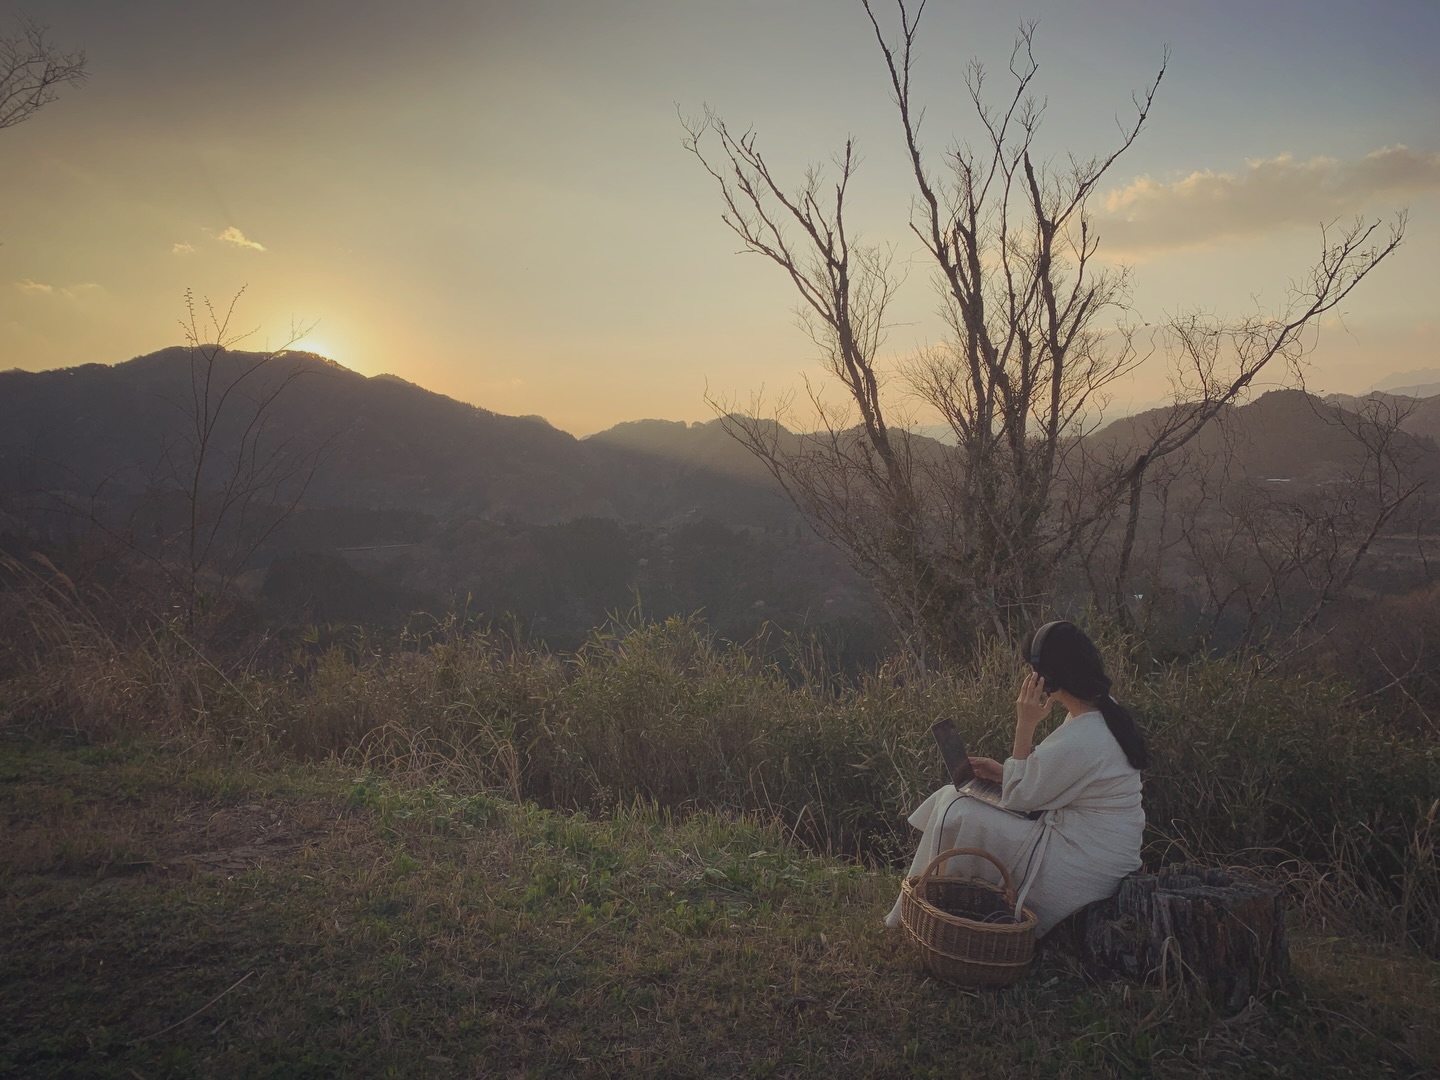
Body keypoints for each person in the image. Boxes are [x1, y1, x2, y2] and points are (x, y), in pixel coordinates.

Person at [884, 620, 1147, 936]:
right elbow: (1047, 780)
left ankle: (922, 916)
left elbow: (1021, 795)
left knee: (959, 811)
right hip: (1092, 849)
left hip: (1082, 864)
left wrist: (1026, 724)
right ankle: (920, 910)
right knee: (951, 796)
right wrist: (1003, 772)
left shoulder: (1086, 736)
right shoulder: (1101, 714)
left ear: (1047, 679)